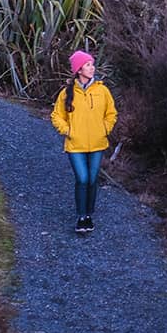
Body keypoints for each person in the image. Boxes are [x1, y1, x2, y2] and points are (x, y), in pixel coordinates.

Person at [50, 50, 117, 234]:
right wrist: (68, 131)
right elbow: (57, 116)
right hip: (75, 145)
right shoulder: (67, 93)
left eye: (92, 64)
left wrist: (105, 129)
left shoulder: (102, 90)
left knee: (93, 180)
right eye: (88, 65)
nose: (92, 67)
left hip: (97, 143)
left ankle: (89, 215)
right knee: (83, 179)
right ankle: (81, 216)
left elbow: (111, 113)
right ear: (79, 69)